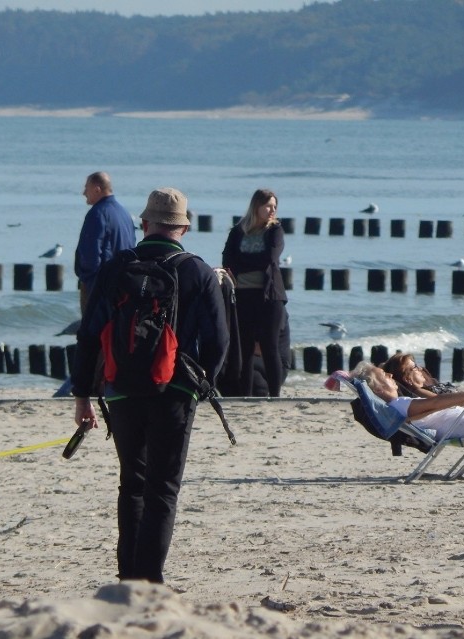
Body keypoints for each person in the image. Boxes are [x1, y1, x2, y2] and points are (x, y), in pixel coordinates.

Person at [71, 187, 230, 584]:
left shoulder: (117, 268)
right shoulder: (197, 271)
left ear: (144, 224)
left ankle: (129, 580)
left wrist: (82, 395)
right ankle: (150, 581)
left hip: (121, 389)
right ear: (184, 228)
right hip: (174, 392)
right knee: (162, 489)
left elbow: (89, 335)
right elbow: (218, 342)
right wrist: (202, 383)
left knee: (132, 486)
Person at [222, 188, 288, 397]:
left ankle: (275, 395)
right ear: (256, 206)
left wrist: (242, 263)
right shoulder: (238, 231)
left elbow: (269, 258)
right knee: (245, 348)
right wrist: (245, 264)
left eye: (274, 206)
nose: (272, 210)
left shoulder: (275, 230)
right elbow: (227, 261)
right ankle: (245, 393)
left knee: (269, 346)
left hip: (270, 296)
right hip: (243, 295)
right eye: (268, 205)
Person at [74, 171, 136, 314]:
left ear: (97, 189)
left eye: (86, 188)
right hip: (122, 285)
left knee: (93, 333)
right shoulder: (124, 213)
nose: (84, 193)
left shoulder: (97, 213)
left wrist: (89, 282)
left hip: (101, 286)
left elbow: (90, 252)